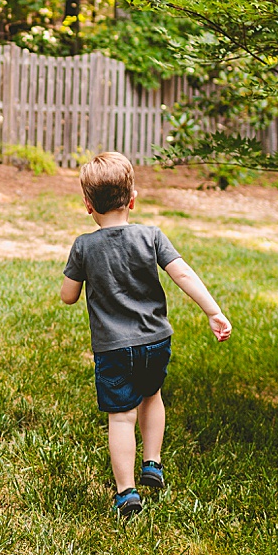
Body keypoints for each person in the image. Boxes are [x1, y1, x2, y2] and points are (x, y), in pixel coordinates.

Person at [60, 152, 232, 518]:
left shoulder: (84, 246)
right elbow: (183, 273)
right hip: (156, 340)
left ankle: (126, 493)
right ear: (133, 199)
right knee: (152, 396)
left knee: (121, 417)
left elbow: (68, 295)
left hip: (113, 348)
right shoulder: (151, 236)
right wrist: (213, 311)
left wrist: (78, 278)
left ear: (87, 205)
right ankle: (152, 462)